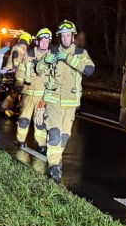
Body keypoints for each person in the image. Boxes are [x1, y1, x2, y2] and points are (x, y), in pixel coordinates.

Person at [37, 20, 95, 180]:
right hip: (53, 100)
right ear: (59, 37)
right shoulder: (52, 51)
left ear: (72, 36)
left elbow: (89, 69)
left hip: (71, 102)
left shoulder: (80, 53)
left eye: (68, 36)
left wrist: (68, 58)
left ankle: (56, 159)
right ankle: (54, 165)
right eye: (63, 36)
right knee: (54, 134)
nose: (65, 39)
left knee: (63, 137)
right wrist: (44, 62)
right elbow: (38, 69)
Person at [15, 29, 53, 147]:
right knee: (24, 119)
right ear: (37, 41)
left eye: (47, 41)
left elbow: (55, 76)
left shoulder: (51, 57)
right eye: (42, 41)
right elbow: (21, 70)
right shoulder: (29, 55)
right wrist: (19, 83)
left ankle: (41, 144)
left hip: (43, 95)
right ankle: (20, 140)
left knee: (40, 121)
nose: (44, 43)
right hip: (28, 93)